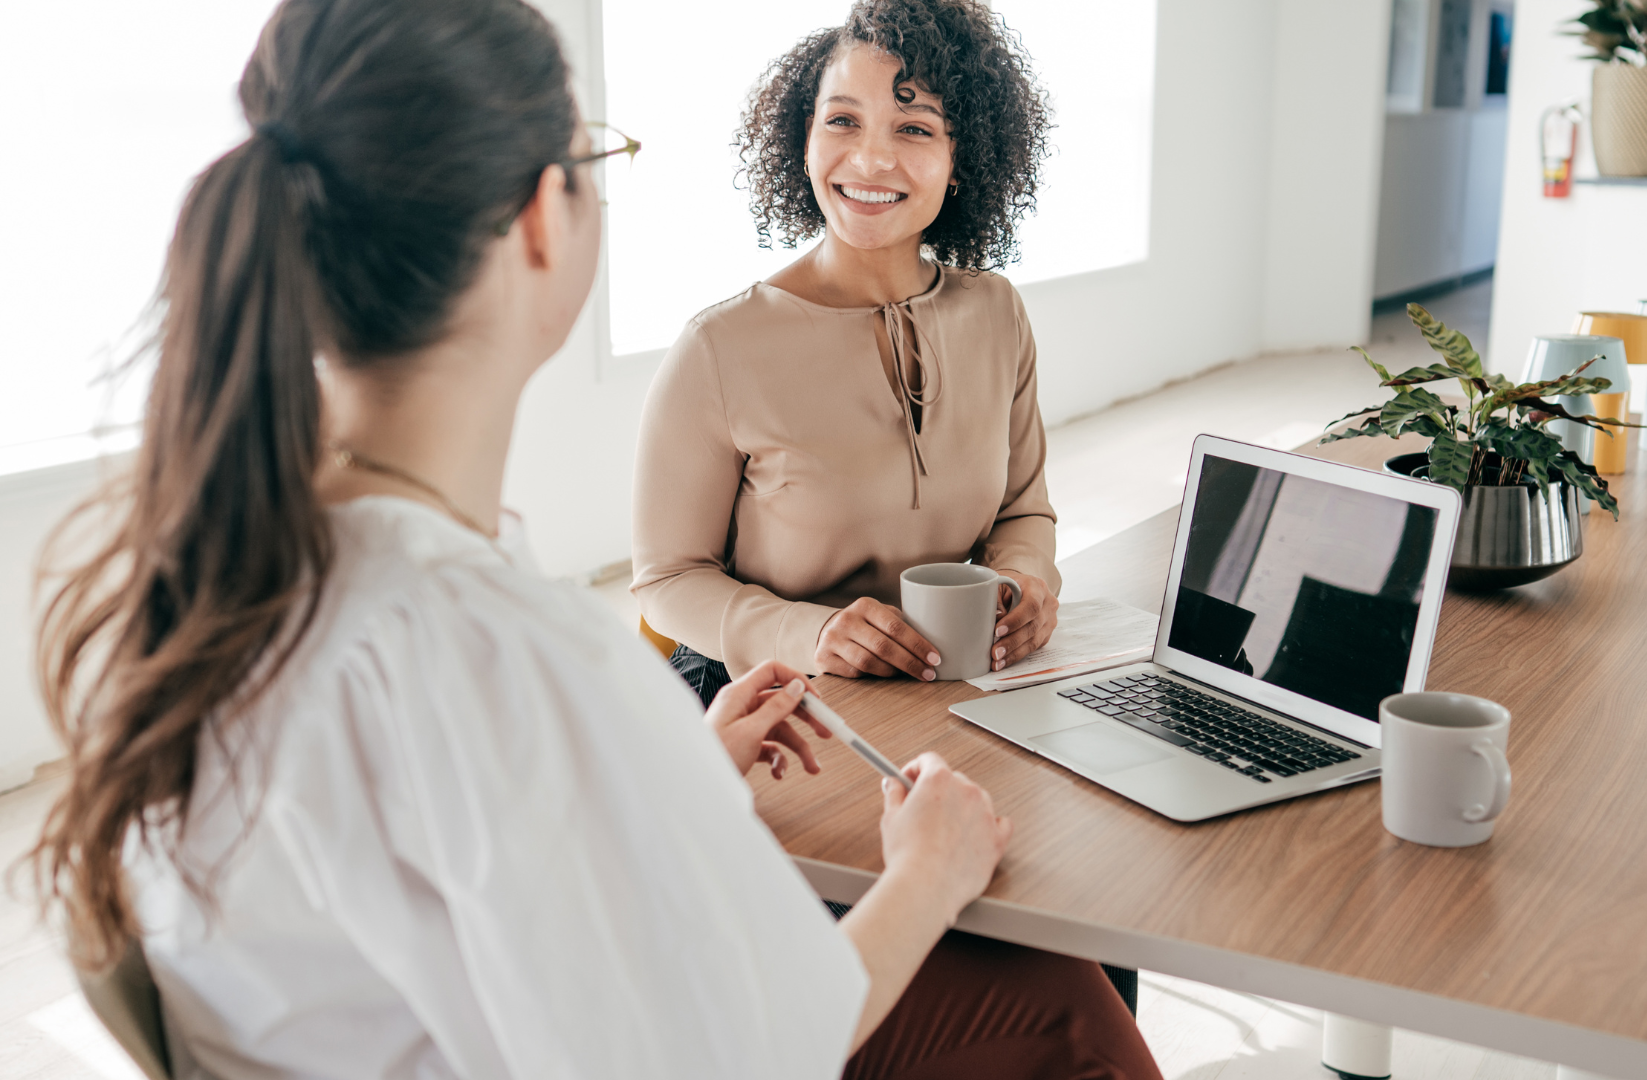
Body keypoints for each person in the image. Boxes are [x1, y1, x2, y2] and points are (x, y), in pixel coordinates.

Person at [25, 1, 1160, 1077]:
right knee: (1068, 1012)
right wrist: (930, 870)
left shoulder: (229, 570)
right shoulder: (507, 649)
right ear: (538, 216)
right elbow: (744, 1050)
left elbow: (469, 875)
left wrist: (680, 771)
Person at [631, 0, 1062, 705]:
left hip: (938, 686)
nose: (870, 158)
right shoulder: (718, 347)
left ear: (963, 160)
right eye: (842, 120)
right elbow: (666, 582)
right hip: (759, 699)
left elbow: (1022, 512)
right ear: (804, 139)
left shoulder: (996, 312)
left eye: (915, 128)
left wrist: (1026, 582)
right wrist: (812, 634)